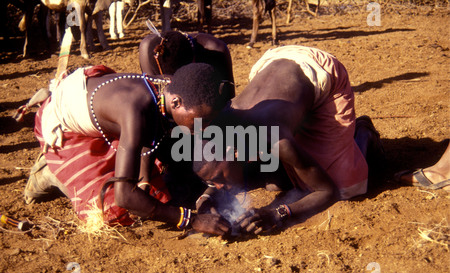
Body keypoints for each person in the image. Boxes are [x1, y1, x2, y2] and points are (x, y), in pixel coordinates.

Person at [167, 46, 384, 235]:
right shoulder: (218, 127)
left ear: (233, 152)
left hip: (320, 71)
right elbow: (215, 170)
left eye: (219, 179)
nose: (221, 186)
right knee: (276, 179)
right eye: (213, 182)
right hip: (271, 64)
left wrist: (278, 214)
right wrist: (204, 198)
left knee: (345, 186)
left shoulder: (274, 139)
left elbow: (327, 192)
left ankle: (363, 132)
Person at [24, 63, 231, 236]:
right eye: (202, 120)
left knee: (152, 195)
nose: (205, 127)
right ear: (176, 103)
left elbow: (152, 132)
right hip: (62, 126)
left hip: (106, 112)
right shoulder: (135, 111)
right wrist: (191, 220)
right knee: (116, 210)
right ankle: (49, 171)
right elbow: (125, 196)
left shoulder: (171, 88)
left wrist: (144, 181)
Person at [139, 30, 235, 100]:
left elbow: (228, 101)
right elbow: (153, 99)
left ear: (192, 61)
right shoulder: (147, 51)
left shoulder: (216, 52)